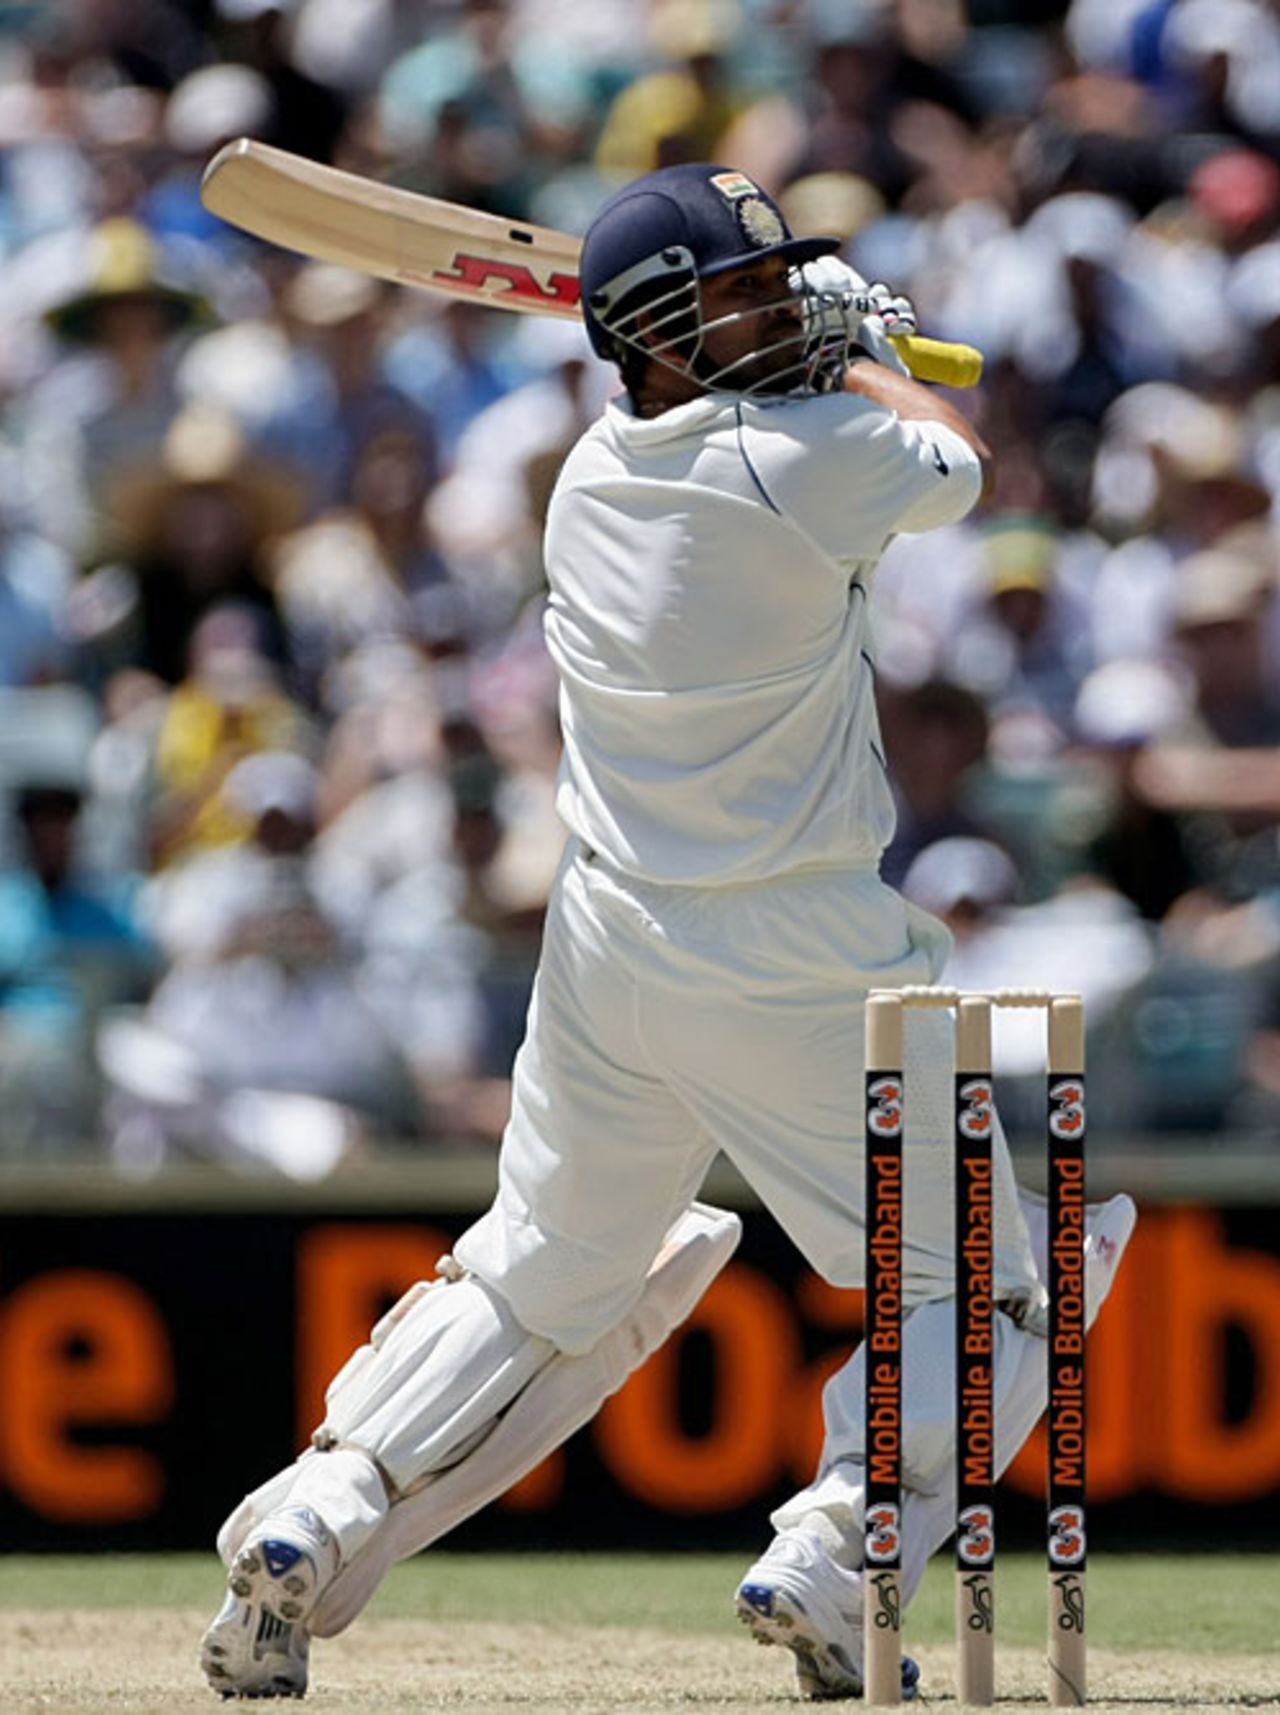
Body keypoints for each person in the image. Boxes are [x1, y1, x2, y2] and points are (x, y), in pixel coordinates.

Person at [200, 163, 1136, 1701]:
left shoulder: (587, 475)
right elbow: (970, 457)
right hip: (799, 955)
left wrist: (806, 339)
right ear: (658, 338)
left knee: (537, 1274)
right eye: (749, 300)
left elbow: (778, 410)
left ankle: (317, 1508)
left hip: (610, 944)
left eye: (784, 289)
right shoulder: (809, 459)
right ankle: (839, 1553)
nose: (781, 315)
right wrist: (870, 347)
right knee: (997, 1279)